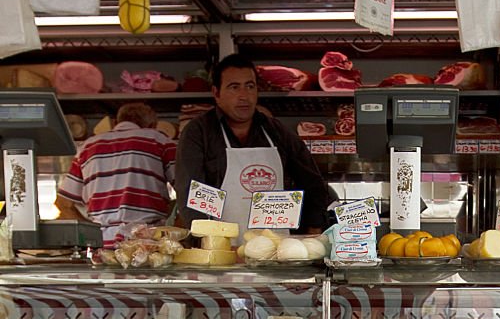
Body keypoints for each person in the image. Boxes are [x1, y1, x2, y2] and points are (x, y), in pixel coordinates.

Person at [175, 54, 329, 233]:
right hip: (221, 248)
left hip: (277, 249)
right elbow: (191, 193)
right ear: (216, 93)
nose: (244, 96)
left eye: (250, 86)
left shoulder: (276, 131)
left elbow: (312, 182)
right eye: (234, 87)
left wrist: (314, 228)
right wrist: (205, 240)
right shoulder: (199, 132)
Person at [56, 101, 176, 246]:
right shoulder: (159, 140)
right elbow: (188, 192)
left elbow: (63, 204)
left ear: (115, 122)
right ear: (152, 126)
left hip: (102, 245)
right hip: (149, 243)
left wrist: (90, 234)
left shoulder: (87, 147)